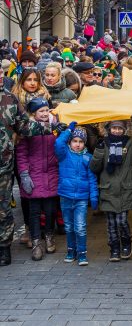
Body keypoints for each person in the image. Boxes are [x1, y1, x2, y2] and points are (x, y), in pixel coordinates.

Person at [16, 98, 59, 261]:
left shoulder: (54, 127)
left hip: (51, 175)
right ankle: (35, 241)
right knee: (34, 213)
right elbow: (21, 154)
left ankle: (49, 236)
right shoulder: (28, 130)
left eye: (47, 110)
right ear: (33, 113)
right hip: (33, 175)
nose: (45, 114)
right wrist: (24, 174)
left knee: (50, 210)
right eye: (41, 111)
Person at [90, 120, 132, 262]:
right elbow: (94, 167)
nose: (116, 131)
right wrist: (98, 151)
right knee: (111, 223)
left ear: (125, 129)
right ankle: (114, 247)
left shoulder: (131, 143)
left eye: (119, 128)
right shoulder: (103, 144)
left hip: (125, 189)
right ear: (108, 129)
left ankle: (126, 243)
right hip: (108, 189)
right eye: (114, 128)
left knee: (121, 221)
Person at [54, 122, 98, 266]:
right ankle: (71, 250)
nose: (77, 144)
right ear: (70, 142)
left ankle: (82, 253)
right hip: (65, 197)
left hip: (81, 199)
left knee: (80, 226)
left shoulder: (88, 158)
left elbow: (92, 179)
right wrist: (68, 130)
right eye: (75, 141)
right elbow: (58, 142)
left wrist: (94, 197)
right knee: (68, 226)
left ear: (85, 143)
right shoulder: (64, 155)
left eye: (81, 142)